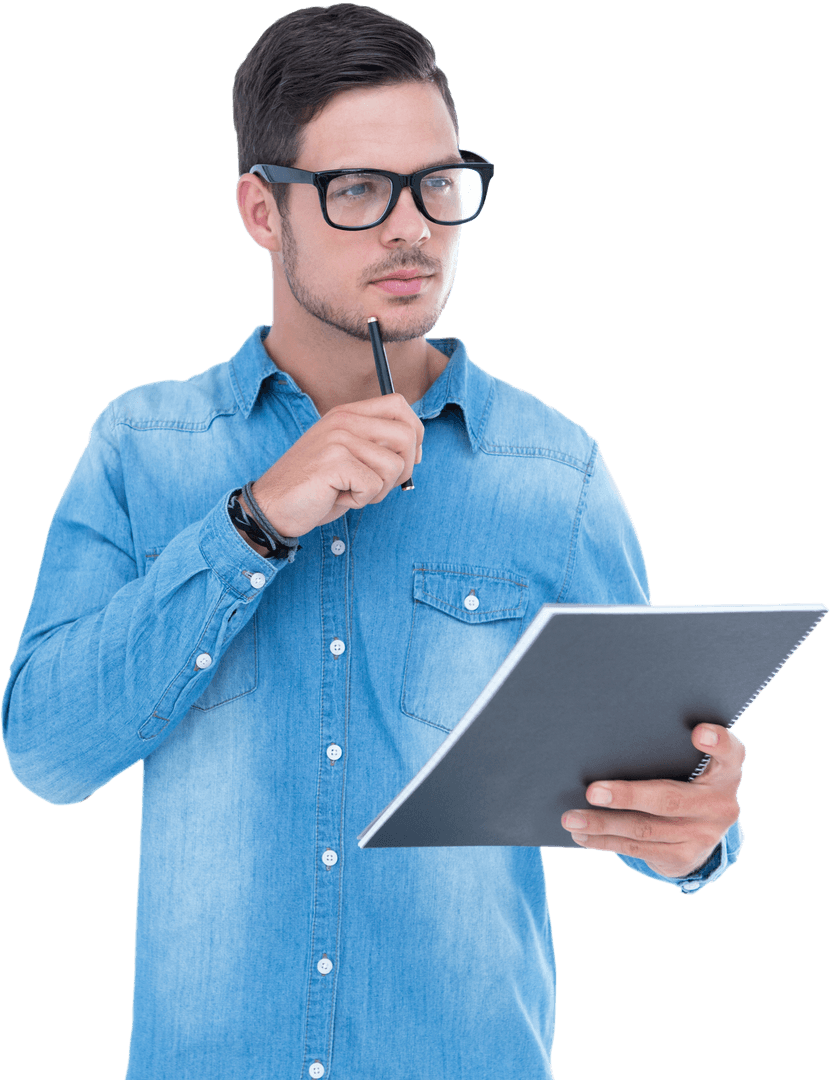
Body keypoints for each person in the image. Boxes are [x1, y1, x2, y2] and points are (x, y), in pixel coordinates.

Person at [1, 5, 745, 1078]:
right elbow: (47, 757)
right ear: (263, 209)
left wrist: (700, 836)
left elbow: (658, 788)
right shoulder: (145, 447)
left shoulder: (552, 474)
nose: (414, 229)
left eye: (439, 184)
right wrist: (253, 524)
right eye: (358, 189)